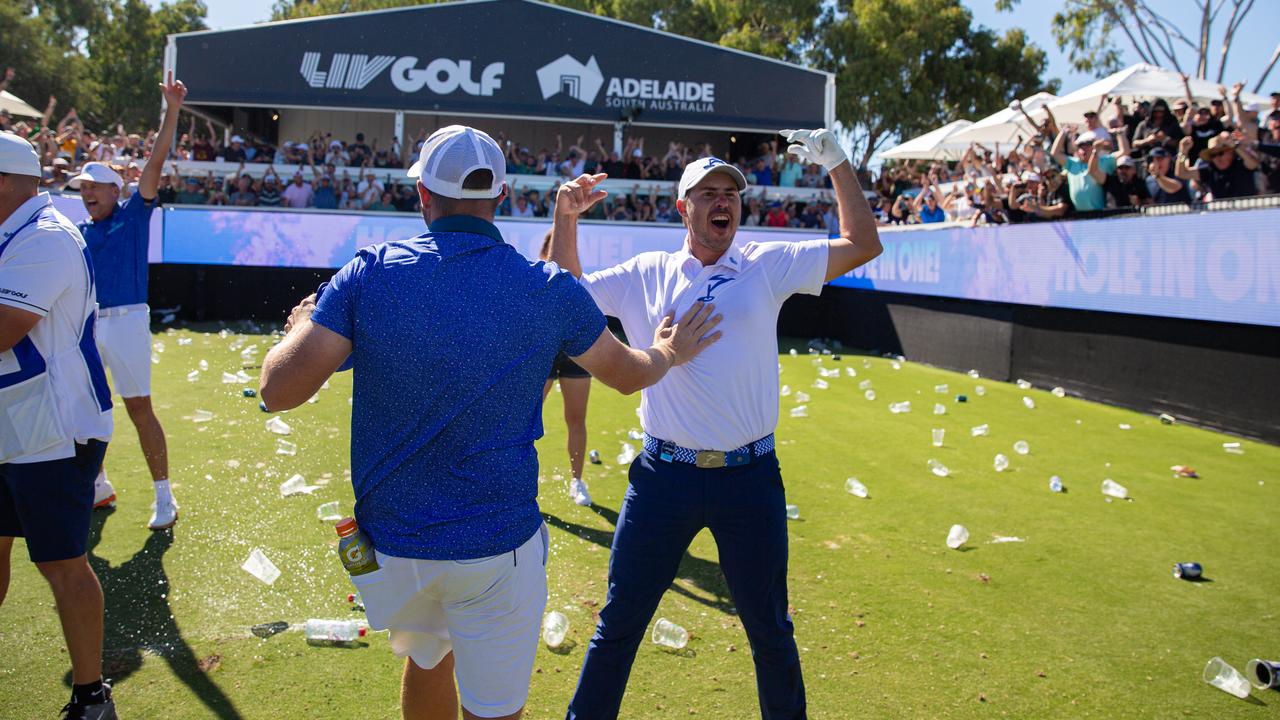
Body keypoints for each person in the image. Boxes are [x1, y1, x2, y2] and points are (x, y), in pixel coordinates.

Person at [258, 124, 721, 720]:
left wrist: (300, 326)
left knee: (426, 660)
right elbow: (629, 373)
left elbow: (276, 391)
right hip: (493, 551)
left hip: (392, 550)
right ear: (500, 198)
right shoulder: (546, 287)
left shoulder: (369, 274)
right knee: (493, 708)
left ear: (423, 195)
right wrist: (669, 352)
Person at [551, 128, 882, 720]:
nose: (722, 199)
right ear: (684, 207)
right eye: (707, 192)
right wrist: (567, 221)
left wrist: (838, 164)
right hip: (663, 479)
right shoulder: (647, 271)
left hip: (749, 480)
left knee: (770, 632)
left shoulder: (764, 262)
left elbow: (863, 244)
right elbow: (567, 301)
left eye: (730, 191)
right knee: (618, 625)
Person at [0, 131, 115, 719]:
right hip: (13, 419)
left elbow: (2, 330)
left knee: (60, 562)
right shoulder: (18, 232)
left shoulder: (44, 238)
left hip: (53, 424)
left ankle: (92, 695)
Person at [70, 72, 185, 530]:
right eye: (82, 188)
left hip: (128, 321)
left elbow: (155, 164)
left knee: (138, 408)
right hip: (88, 325)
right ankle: (98, 485)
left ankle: (164, 496)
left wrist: (172, 109)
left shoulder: (135, 214)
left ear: (116, 191)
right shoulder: (78, 232)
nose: (87, 194)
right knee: (85, 408)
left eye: (94, 187)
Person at [538, 230, 594, 507]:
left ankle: (577, 480)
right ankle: (519, 479)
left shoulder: (578, 278)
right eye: (554, 247)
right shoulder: (534, 275)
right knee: (525, 417)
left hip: (575, 353)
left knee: (576, 419)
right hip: (543, 353)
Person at [1176, 132, 1259, 200]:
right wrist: (1183, 152)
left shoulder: (1241, 164)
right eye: (1213, 155)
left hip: (1247, 213)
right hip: (1221, 215)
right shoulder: (1209, 170)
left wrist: (1235, 145)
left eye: (1220, 153)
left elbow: (1253, 163)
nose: (1217, 159)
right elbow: (1182, 173)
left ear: (1230, 152)